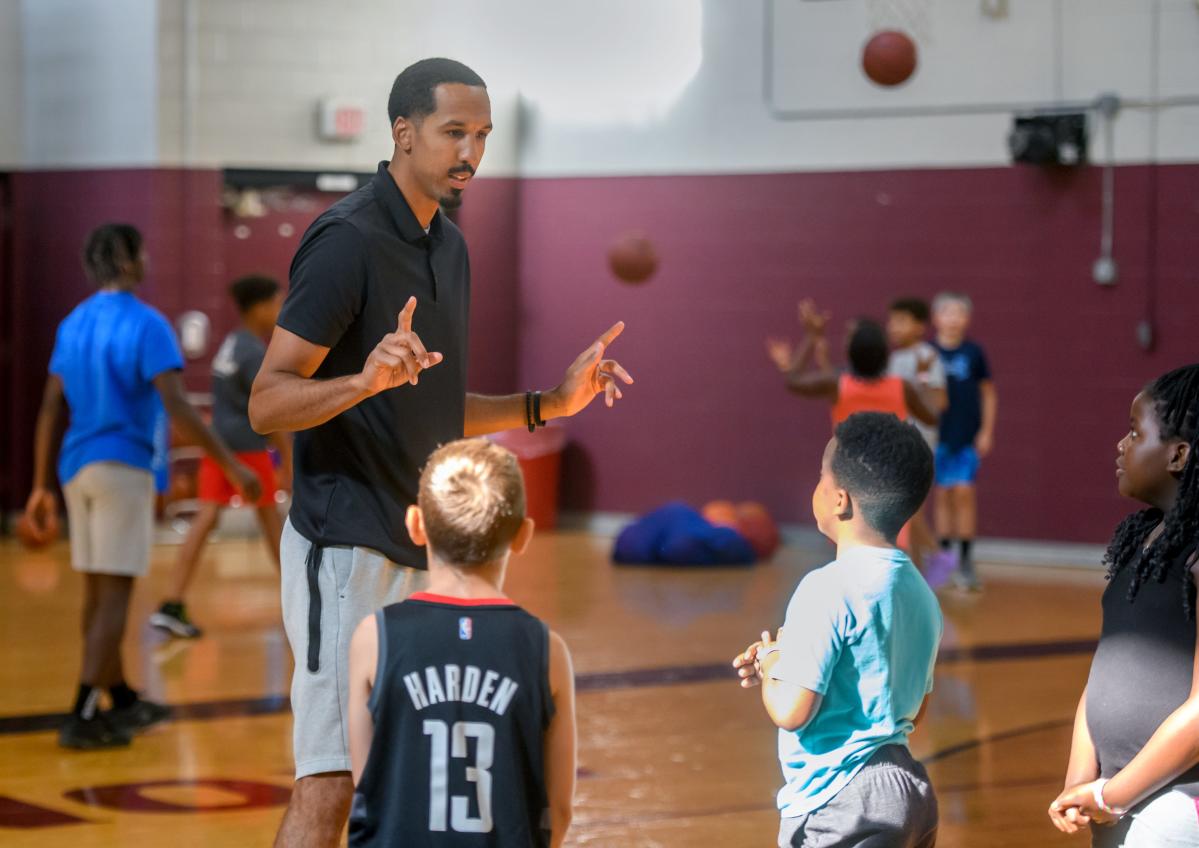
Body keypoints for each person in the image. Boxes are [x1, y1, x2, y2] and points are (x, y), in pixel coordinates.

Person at [248, 58, 631, 847]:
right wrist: (361, 381)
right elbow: (267, 400)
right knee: (330, 780)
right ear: (402, 133)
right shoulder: (345, 239)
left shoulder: (448, 247)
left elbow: (431, 403)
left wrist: (548, 405)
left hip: (418, 545)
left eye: (482, 135)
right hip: (345, 545)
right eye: (454, 132)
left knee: (393, 777)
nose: (471, 152)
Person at [23, 223, 261, 750]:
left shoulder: (73, 322)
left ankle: (120, 695)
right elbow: (177, 405)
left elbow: (47, 408)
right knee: (116, 596)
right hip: (121, 467)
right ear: (130, 260)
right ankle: (83, 710)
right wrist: (229, 462)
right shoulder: (148, 324)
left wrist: (39, 486)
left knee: (95, 588)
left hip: (74, 469)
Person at [347, 439, 575, 847]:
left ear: (416, 525)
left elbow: (367, 787)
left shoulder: (374, 637)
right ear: (523, 535)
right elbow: (559, 810)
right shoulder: (546, 649)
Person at [733, 412, 942, 847]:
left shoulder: (825, 587)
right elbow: (912, 712)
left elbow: (791, 711)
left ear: (840, 500)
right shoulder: (921, 594)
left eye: (820, 476)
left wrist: (774, 663)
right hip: (909, 796)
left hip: (838, 805)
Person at [1048, 364, 1199, 847]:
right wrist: (1081, 780)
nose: (1121, 444)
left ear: (1179, 453)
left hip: (1174, 799)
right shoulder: (1139, 540)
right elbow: (1103, 673)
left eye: (1135, 432)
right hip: (1116, 794)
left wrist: (1114, 795)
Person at [151, 275, 292, 638]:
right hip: (246, 449)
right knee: (271, 524)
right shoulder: (254, 352)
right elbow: (270, 411)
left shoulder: (231, 344)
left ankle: (171, 601)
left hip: (219, 447)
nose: (280, 310)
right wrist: (289, 460)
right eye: (277, 303)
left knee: (207, 519)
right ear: (259, 307)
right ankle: (300, 600)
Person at [930, 292, 997, 591]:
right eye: (947, 312)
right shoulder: (926, 352)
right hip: (936, 437)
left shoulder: (974, 353)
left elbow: (988, 393)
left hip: (966, 437)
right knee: (943, 496)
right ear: (936, 318)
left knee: (964, 495)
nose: (953, 318)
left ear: (967, 319)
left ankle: (967, 561)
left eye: (959, 313)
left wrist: (986, 430)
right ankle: (944, 562)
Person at [886, 297, 952, 579]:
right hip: (896, 445)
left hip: (920, 445)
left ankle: (940, 558)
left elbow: (939, 403)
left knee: (912, 512)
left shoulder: (928, 356)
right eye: (892, 320)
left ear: (920, 326)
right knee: (905, 516)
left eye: (901, 320)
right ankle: (919, 573)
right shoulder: (893, 359)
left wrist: (923, 377)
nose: (893, 326)